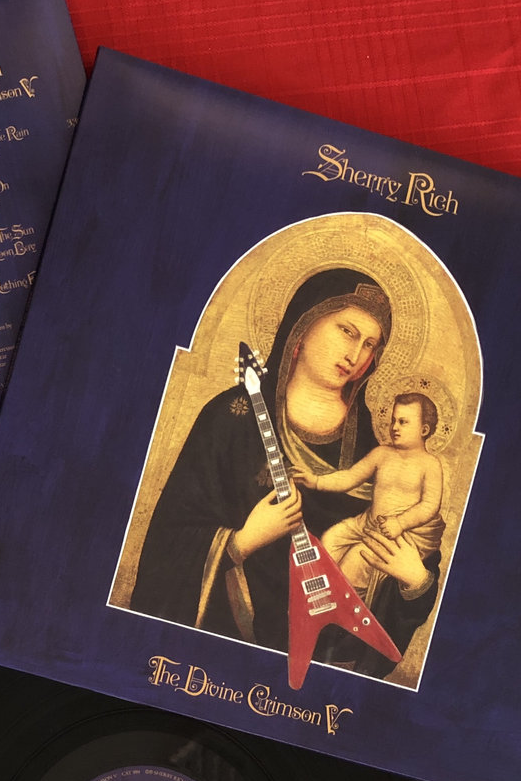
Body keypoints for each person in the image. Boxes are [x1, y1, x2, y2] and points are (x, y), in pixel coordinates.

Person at [130, 269, 441, 677]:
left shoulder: (376, 448)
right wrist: (240, 543)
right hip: (221, 647)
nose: (355, 354)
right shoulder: (232, 418)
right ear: (304, 324)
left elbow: (416, 550)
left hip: (322, 660)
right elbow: (166, 545)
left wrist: (415, 582)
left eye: (370, 344)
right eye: (347, 331)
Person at [293, 392, 444, 599]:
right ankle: (316, 595)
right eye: (393, 420)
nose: (395, 427)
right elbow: (350, 477)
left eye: (403, 422)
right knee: (331, 539)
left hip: (398, 534)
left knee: (355, 561)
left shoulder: (430, 464)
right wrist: (317, 481)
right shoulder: (382, 454)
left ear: (424, 430)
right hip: (367, 523)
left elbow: (429, 506)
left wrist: (400, 523)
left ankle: (340, 607)